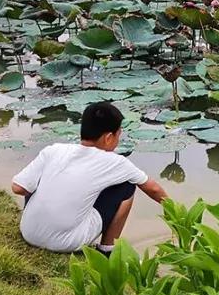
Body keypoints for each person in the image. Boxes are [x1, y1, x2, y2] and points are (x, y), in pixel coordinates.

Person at [11, 101, 169, 254]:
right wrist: (175, 212)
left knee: (37, 179)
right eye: (118, 135)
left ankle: (43, 221)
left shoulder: (54, 150)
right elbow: (153, 189)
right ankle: (107, 249)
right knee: (126, 187)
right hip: (66, 243)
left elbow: (18, 187)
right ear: (108, 137)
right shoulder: (116, 162)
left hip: (29, 233)